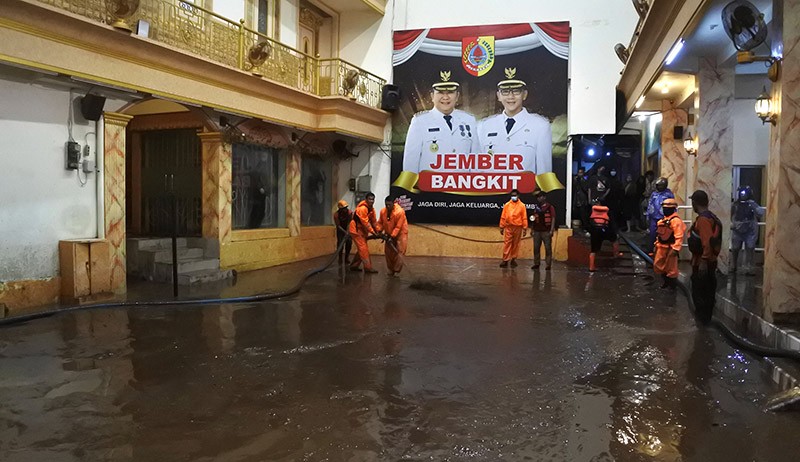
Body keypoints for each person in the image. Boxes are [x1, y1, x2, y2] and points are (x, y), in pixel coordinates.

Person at [393, 70, 478, 191]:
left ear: (457, 96)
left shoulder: (469, 120)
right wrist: (411, 191)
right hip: (430, 191)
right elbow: (410, 163)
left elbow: (475, 161)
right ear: (432, 96)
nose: (445, 97)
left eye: (450, 92)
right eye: (440, 92)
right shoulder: (420, 121)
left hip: (461, 191)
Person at [478, 67, 552, 175]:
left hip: (524, 191)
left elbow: (544, 174)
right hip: (493, 191)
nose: (511, 97)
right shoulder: (485, 126)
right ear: (498, 96)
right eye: (505, 91)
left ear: (524, 94)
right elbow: (479, 169)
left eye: (516, 91)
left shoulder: (540, 126)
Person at [687, 190, 722, 324]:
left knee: (701, 294)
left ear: (695, 203)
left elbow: (706, 242)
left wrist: (703, 261)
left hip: (703, 263)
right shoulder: (712, 217)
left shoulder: (703, 220)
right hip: (710, 262)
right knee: (707, 293)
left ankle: (702, 323)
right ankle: (704, 322)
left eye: (692, 202)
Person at [730, 185, 764, 275]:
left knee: (750, 248)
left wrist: (752, 205)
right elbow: (731, 215)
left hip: (750, 230)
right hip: (737, 229)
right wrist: (732, 223)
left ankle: (749, 267)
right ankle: (733, 266)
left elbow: (760, 213)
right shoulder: (736, 204)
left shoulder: (751, 204)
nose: (743, 195)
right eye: (741, 193)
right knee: (735, 248)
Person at [653, 197, 686, 289]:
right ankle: (665, 282)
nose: (665, 210)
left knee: (671, 268)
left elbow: (679, 236)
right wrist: (656, 245)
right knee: (658, 265)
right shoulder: (663, 220)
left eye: (667, 208)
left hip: (670, 248)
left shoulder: (676, 221)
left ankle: (671, 286)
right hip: (661, 247)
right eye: (664, 208)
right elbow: (659, 234)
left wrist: (675, 249)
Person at [377, 196, 409, 276]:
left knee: (400, 251)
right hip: (389, 233)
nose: (387, 206)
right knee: (388, 252)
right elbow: (380, 222)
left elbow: (398, 227)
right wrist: (379, 230)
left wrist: (392, 236)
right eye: (386, 205)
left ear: (393, 204)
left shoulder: (400, 212)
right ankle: (391, 270)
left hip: (400, 234)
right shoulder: (383, 211)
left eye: (389, 205)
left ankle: (396, 270)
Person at [348, 192, 379, 273]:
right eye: (370, 199)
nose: (371, 201)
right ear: (366, 199)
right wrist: (373, 232)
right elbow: (365, 222)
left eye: (373, 199)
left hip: (362, 231)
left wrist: (378, 231)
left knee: (361, 250)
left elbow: (374, 221)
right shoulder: (362, 209)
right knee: (363, 249)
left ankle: (354, 266)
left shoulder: (371, 209)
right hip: (356, 231)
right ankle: (368, 268)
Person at [588, 198, 621, 272]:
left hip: (595, 231)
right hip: (606, 231)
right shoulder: (607, 211)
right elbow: (612, 223)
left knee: (593, 250)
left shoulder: (593, 210)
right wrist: (615, 232)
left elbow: (588, 221)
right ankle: (616, 255)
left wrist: (590, 231)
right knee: (615, 239)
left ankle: (591, 267)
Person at [499, 189, 528, 268]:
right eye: (512, 195)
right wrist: (501, 227)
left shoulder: (522, 206)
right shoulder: (507, 205)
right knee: (507, 243)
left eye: (515, 195)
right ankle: (505, 260)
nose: (513, 197)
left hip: (518, 227)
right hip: (508, 227)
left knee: (516, 244)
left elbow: (524, 217)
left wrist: (525, 228)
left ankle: (513, 259)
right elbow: (503, 217)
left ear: (518, 196)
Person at [646, 177, 675, 253]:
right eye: (657, 185)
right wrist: (648, 216)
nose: (658, 187)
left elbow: (673, 206)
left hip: (664, 219)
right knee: (652, 235)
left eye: (660, 185)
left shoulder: (669, 194)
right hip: (654, 218)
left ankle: (662, 252)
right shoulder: (654, 194)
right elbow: (650, 204)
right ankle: (650, 251)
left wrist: (671, 219)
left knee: (663, 236)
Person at [530, 191, 556, 270]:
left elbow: (553, 218)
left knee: (548, 248)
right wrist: (532, 229)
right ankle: (536, 263)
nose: (539, 198)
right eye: (538, 197)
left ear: (544, 197)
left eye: (540, 196)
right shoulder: (536, 207)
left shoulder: (550, 207)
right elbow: (533, 219)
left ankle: (548, 265)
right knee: (536, 248)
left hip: (546, 231)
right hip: (537, 231)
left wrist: (551, 230)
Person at [333, 200, 353, 264]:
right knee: (340, 244)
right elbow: (338, 226)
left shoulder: (349, 213)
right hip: (340, 230)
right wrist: (344, 232)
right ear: (340, 209)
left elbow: (350, 223)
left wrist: (348, 231)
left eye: (346, 208)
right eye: (343, 208)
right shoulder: (336, 215)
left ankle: (346, 258)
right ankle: (340, 258)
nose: (345, 210)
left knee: (349, 242)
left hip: (348, 229)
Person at [573, 166, 590, 232]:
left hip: (583, 199)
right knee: (577, 213)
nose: (579, 174)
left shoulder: (585, 180)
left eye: (581, 173)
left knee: (583, 214)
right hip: (577, 199)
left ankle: (585, 227)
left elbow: (586, 189)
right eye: (578, 172)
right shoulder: (576, 180)